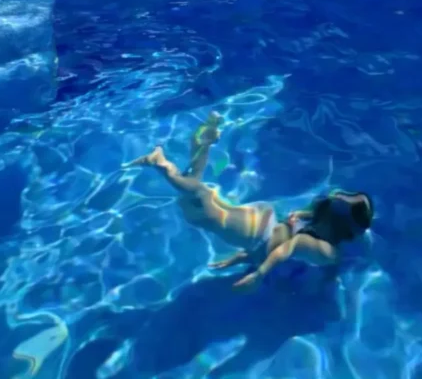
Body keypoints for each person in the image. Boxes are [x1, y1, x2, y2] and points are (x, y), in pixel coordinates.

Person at [126, 112, 374, 291]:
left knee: (199, 199)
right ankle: (161, 164)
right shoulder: (328, 252)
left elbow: (284, 240)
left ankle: (203, 145)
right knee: (199, 199)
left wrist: (241, 259)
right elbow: (288, 246)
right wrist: (259, 274)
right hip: (256, 232)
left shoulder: (314, 224)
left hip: (261, 221)